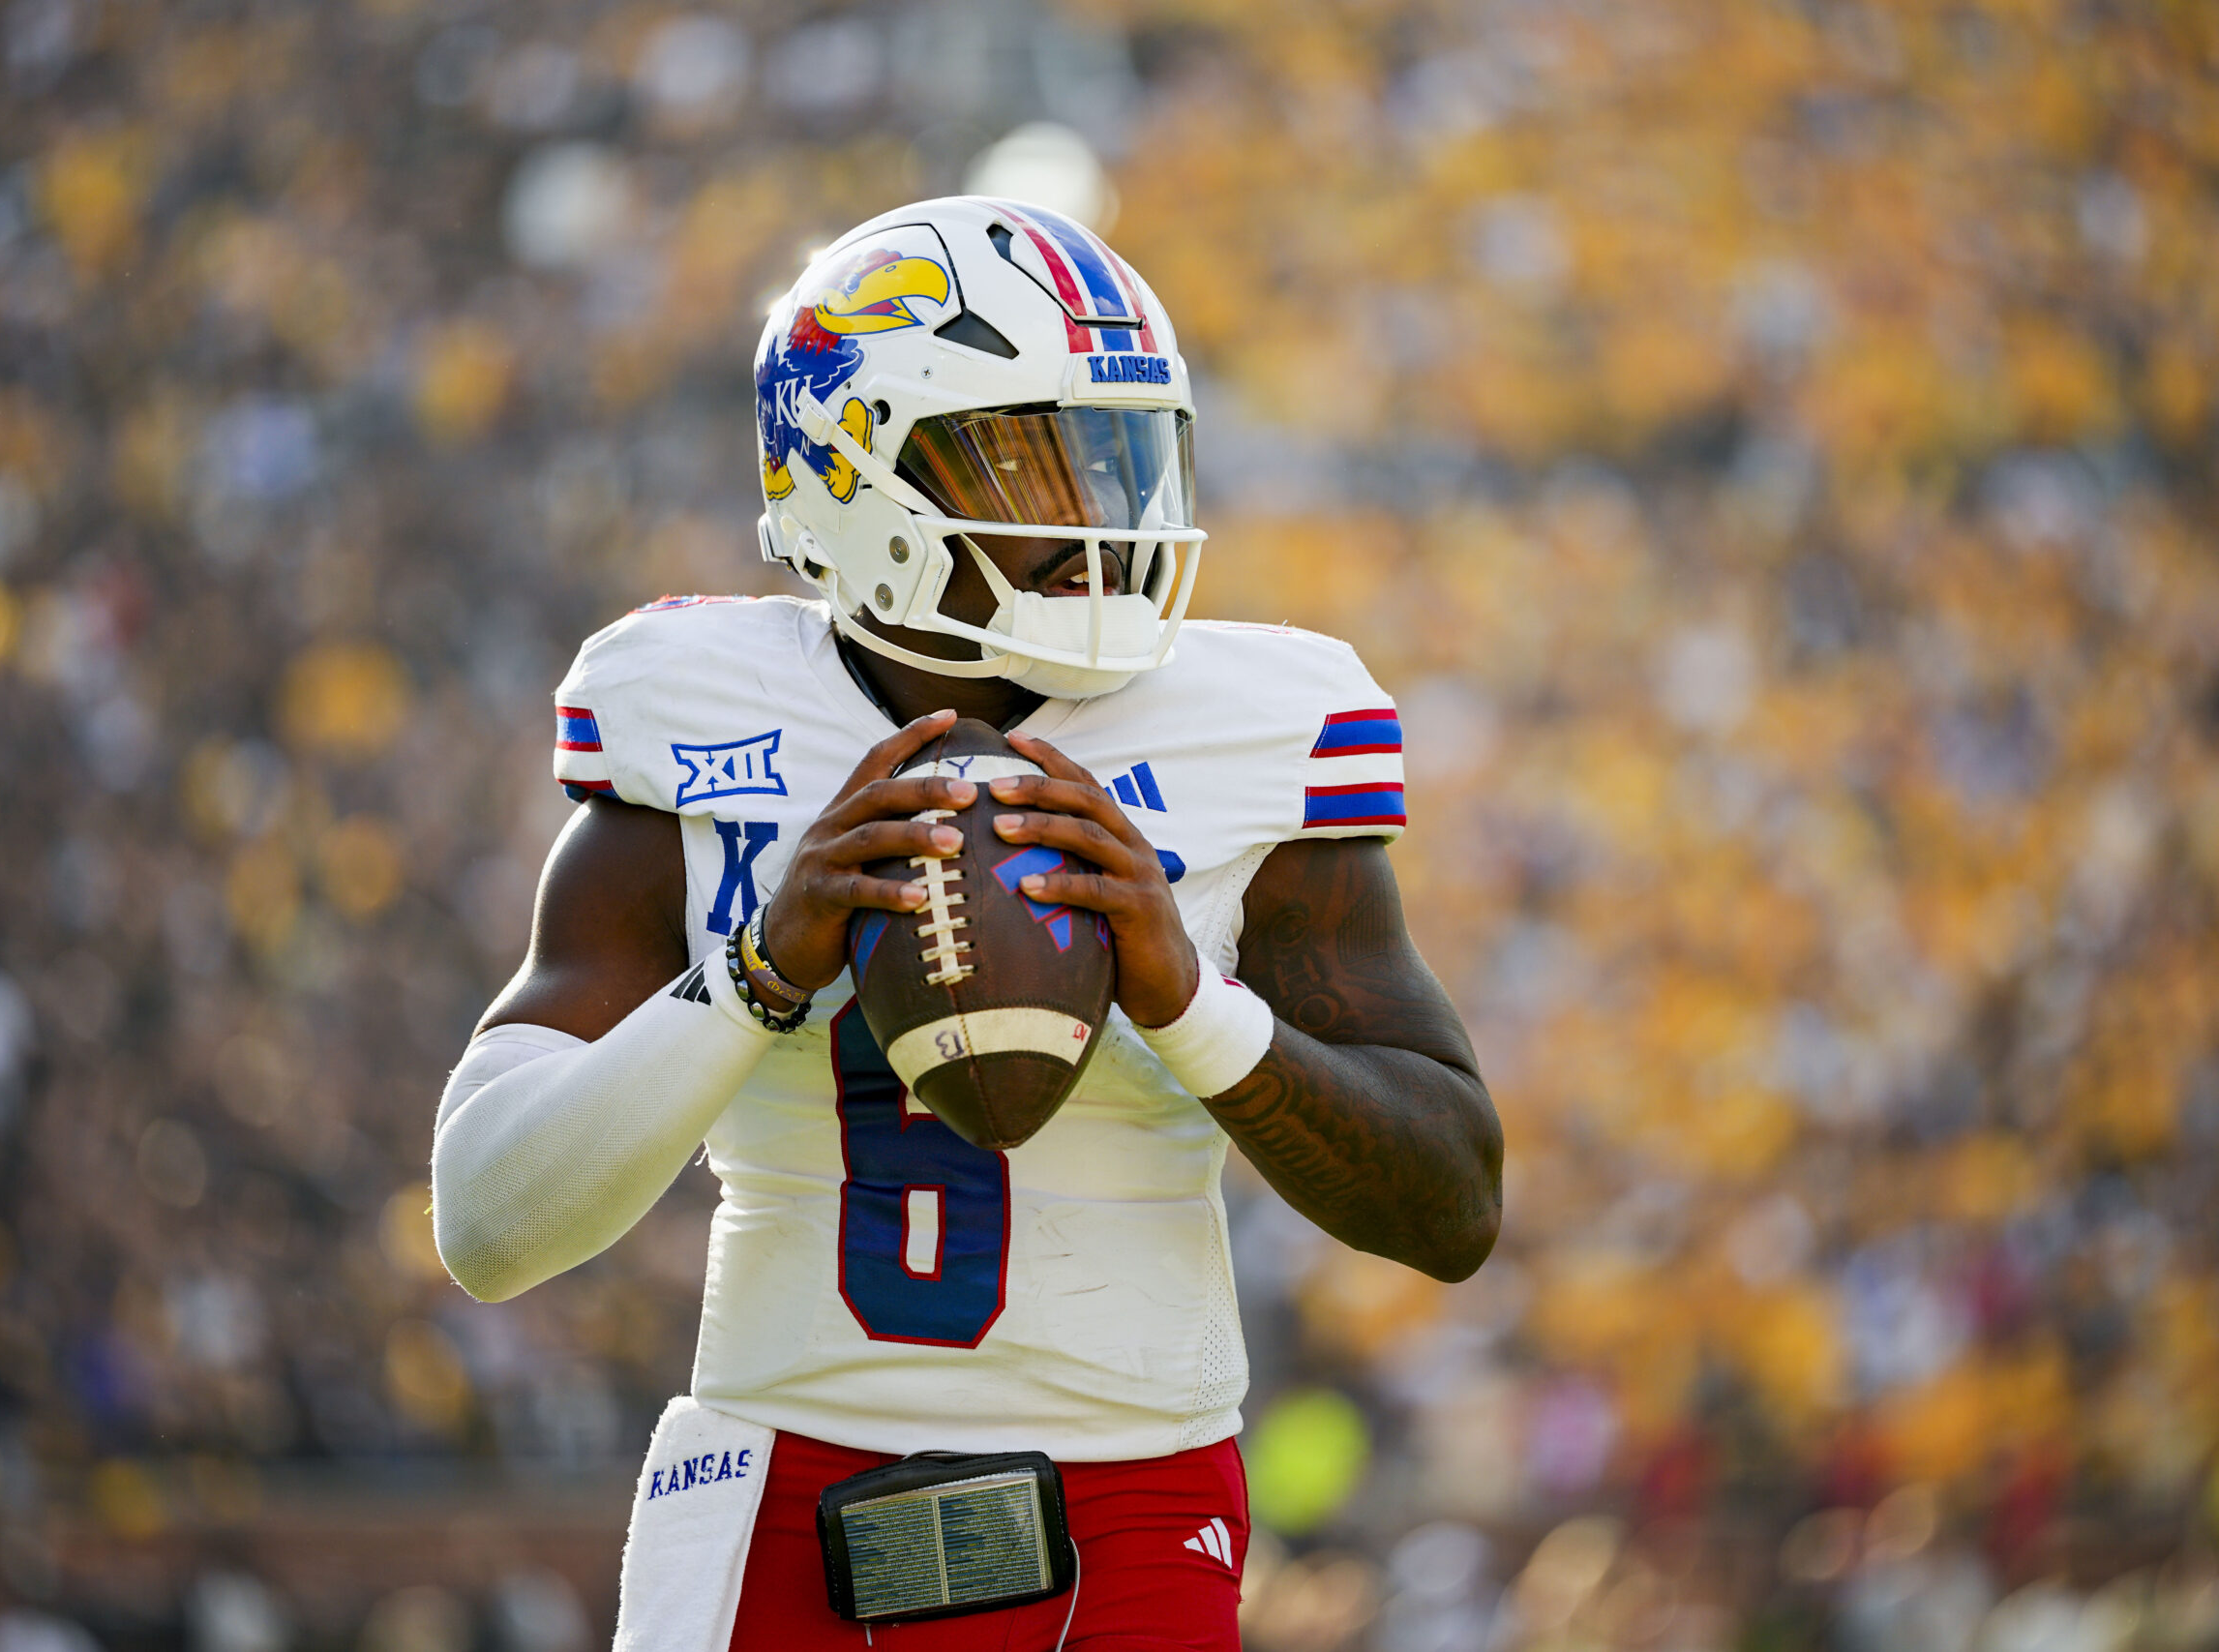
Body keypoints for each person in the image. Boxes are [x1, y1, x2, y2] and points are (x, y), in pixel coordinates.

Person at [430, 197, 1501, 1650]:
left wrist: (1191, 1000)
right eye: (1030, 457)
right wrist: (754, 975)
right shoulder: (692, 705)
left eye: (1121, 459)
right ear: (857, 466)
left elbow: (1452, 1205)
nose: (1098, 516)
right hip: (775, 1487)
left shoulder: (1260, 725)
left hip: (1133, 1504)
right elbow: (489, 1223)